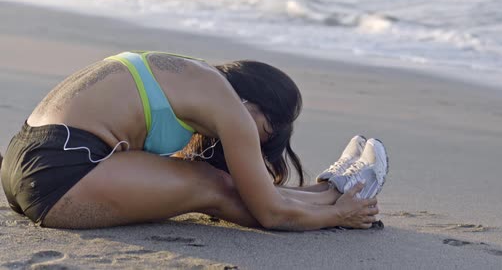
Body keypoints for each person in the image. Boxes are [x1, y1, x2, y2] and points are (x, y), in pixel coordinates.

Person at [1, 50, 384, 230]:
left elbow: (257, 190)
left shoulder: (192, 75)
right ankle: (341, 202)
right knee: (213, 186)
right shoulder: (231, 108)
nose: (253, 144)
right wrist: (338, 218)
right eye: (264, 134)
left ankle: (331, 189)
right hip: (59, 177)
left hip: (24, 163)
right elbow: (270, 212)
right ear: (256, 108)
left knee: (216, 181)